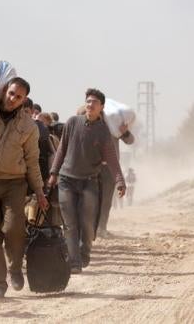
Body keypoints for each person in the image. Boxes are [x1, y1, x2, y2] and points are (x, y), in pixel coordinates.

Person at [0, 77, 48, 299]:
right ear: (5, 91)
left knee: (13, 228)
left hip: (14, 183)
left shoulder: (29, 126)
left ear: (24, 100)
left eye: (19, 96)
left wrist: (40, 191)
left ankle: (14, 268)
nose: (13, 99)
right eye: (11, 93)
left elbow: (32, 160)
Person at [48, 88, 126, 274]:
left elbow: (112, 159)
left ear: (102, 107)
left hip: (90, 182)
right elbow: (62, 149)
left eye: (95, 102)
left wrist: (120, 181)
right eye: (88, 101)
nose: (90, 105)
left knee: (87, 222)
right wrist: (53, 173)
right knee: (70, 223)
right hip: (67, 180)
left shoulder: (103, 132)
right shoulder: (73, 123)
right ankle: (74, 262)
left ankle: (85, 252)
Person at [98, 123, 134, 236]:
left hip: (110, 167)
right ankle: (90, 228)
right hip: (91, 167)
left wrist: (125, 132)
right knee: (90, 198)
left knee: (107, 200)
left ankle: (101, 227)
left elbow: (130, 140)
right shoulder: (88, 120)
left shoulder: (113, 124)